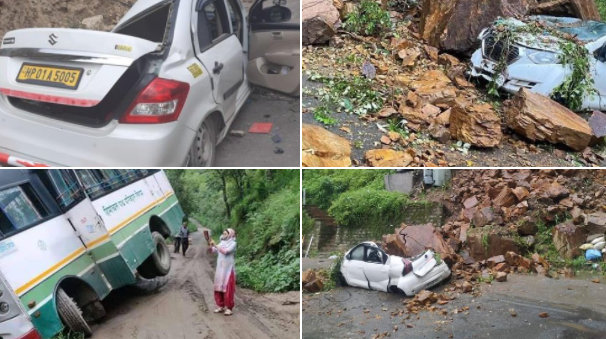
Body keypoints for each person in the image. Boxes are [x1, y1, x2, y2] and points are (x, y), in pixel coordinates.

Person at [209, 228, 237, 316]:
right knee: (218, 287)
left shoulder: (233, 243)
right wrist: (210, 244)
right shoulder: (222, 242)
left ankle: (229, 308)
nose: (224, 235)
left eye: (225, 234)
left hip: (228, 269)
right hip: (220, 269)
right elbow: (213, 251)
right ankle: (220, 306)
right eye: (223, 233)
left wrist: (216, 245)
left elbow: (226, 252)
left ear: (230, 234)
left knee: (228, 288)